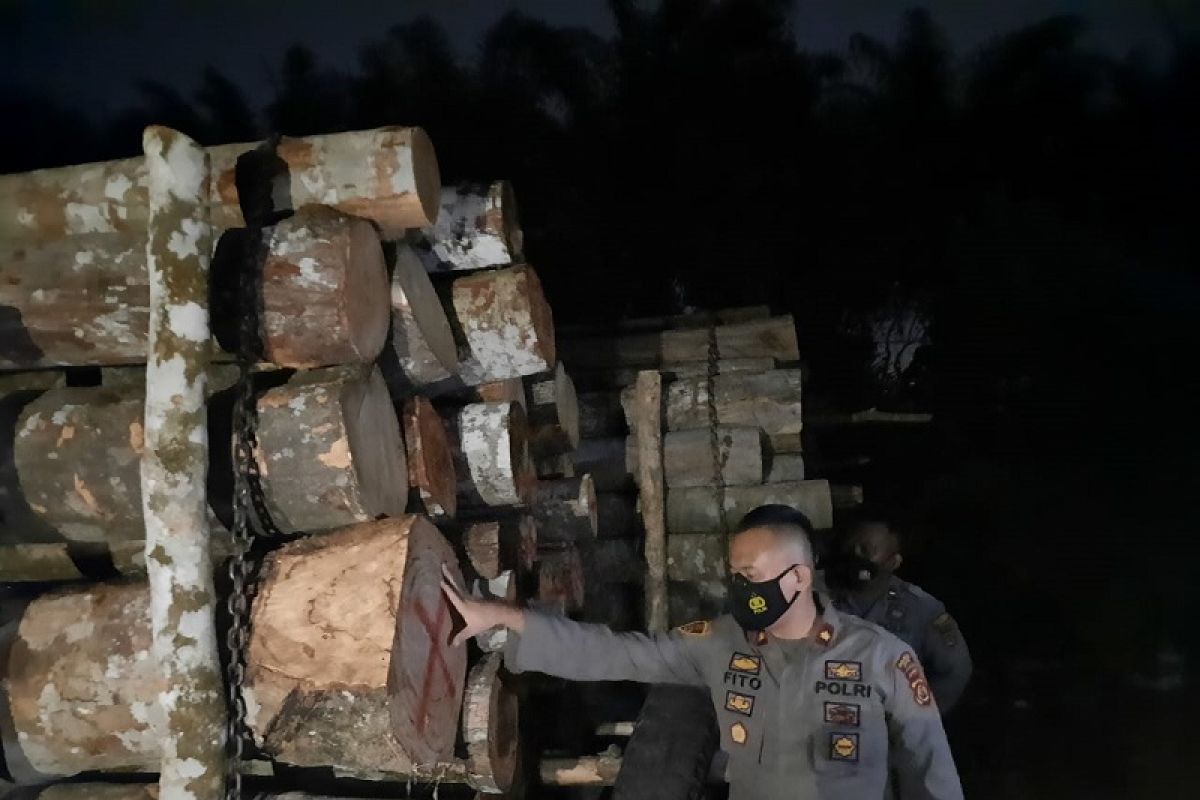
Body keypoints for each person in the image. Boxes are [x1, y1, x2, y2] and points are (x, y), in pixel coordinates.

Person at [442, 505, 964, 800]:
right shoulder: (721, 643)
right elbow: (620, 653)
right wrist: (507, 618)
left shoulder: (882, 658)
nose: (740, 588)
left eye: (752, 576)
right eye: (735, 575)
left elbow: (931, 775)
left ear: (800, 578)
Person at [823, 517, 972, 715]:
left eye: (866, 551)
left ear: (893, 562)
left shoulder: (921, 610)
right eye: (850, 548)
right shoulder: (815, 594)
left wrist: (918, 718)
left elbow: (955, 670)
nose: (855, 557)